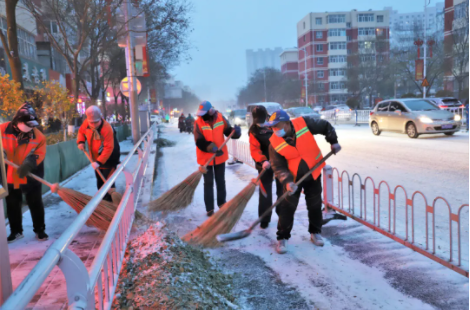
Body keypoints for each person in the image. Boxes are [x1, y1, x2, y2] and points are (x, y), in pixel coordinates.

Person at [265, 110, 341, 254]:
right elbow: (278, 166)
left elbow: (325, 126)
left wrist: (334, 141)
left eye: (278, 126)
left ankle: (315, 232)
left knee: (315, 204)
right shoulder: (273, 143)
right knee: (287, 207)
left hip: (313, 172)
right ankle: (282, 237)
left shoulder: (303, 123)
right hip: (293, 179)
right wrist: (287, 181)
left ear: (287, 123)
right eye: (273, 127)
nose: (275, 130)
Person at [1, 102, 48, 242]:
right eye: (27, 125)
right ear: (17, 121)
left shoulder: (38, 136)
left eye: (31, 126)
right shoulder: (2, 130)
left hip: (30, 173)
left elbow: (40, 152)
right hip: (9, 174)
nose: (29, 128)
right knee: (12, 204)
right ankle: (16, 231)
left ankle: (40, 230)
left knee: (35, 202)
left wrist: (29, 163)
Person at [194, 101, 241, 216]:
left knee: (221, 182)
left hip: (219, 157)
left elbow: (227, 131)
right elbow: (199, 141)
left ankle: (222, 204)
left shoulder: (220, 118)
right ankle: (209, 209)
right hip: (206, 159)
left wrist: (235, 133)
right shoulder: (198, 122)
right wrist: (211, 147)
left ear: (210, 111)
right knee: (208, 183)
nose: (202, 116)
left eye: (204, 113)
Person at [77, 106, 121, 202]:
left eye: (96, 122)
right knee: (100, 183)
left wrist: (99, 162)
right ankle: (103, 204)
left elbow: (109, 148)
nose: (93, 125)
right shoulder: (87, 124)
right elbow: (81, 132)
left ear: (100, 118)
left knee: (108, 184)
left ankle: (110, 206)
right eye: (91, 122)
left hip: (110, 158)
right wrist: (81, 141)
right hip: (95, 159)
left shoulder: (107, 128)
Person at [249, 106, 283, 229]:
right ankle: (264, 219)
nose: (260, 124)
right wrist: (262, 160)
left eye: (262, 120)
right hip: (265, 165)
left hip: (280, 162)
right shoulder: (254, 131)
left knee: (282, 190)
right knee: (265, 193)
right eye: (258, 121)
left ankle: (282, 215)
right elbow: (254, 149)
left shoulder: (274, 123)